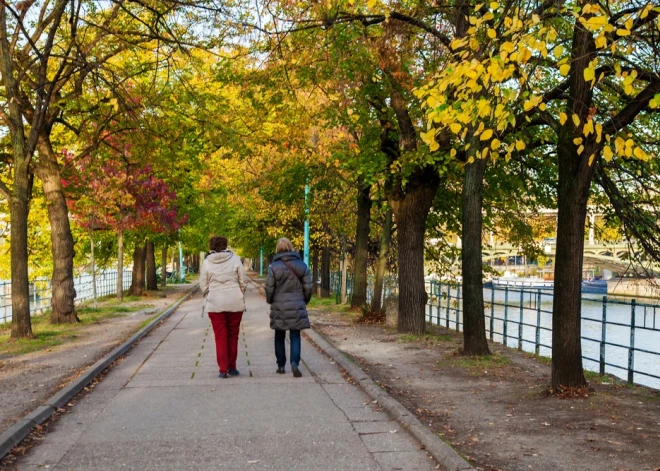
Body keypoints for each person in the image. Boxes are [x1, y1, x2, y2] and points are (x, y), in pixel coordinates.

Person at [200, 236, 248, 378]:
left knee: (220, 337)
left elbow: (203, 283)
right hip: (235, 301)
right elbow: (243, 280)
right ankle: (232, 367)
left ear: (211, 246)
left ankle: (222, 370)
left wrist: (209, 293)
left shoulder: (207, 262)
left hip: (215, 303)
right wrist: (239, 291)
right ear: (225, 245)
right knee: (233, 335)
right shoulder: (235, 259)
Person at [265, 237, 313, 377]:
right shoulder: (301, 265)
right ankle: (294, 363)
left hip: (279, 305)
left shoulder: (274, 267)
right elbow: (308, 287)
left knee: (279, 334)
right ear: (291, 247)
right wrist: (304, 300)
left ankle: (280, 365)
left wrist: (270, 300)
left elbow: (269, 288)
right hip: (297, 303)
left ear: (277, 250)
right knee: (295, 334)